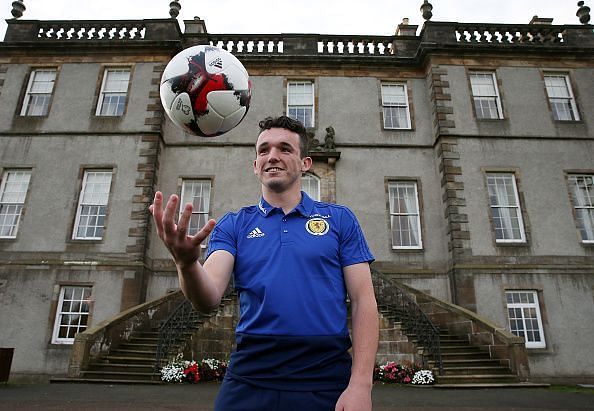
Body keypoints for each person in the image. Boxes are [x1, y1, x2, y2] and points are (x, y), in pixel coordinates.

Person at [150, 115, 379, 411]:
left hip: (324, 377)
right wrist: (186, 263)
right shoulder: (234, 225)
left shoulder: (340, 219)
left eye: (285, 149)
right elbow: (207, 298)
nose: (272, 156)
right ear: (255, 166)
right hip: (250, 377)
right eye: (263, 151)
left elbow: (364, 301)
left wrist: (361, 384)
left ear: (305, 163)